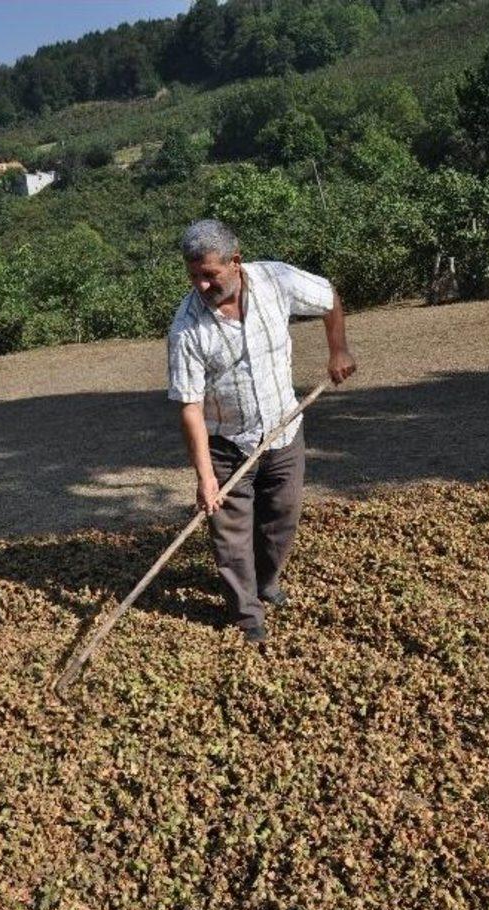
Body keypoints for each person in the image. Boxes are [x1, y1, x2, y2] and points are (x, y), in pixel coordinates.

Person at [168, 219, 356, 642]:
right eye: (193, 275)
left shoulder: (275, 280)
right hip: (226, 442)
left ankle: (265, 582)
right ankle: (246, 614)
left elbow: (328, 298)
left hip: (284, 431)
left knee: (281, 519)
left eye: (209, 275)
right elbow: (190, 406)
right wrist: (205, 477)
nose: (200, 285)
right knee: (231, 536)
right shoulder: (186, 329)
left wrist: (339, 347)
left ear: (235, 262)